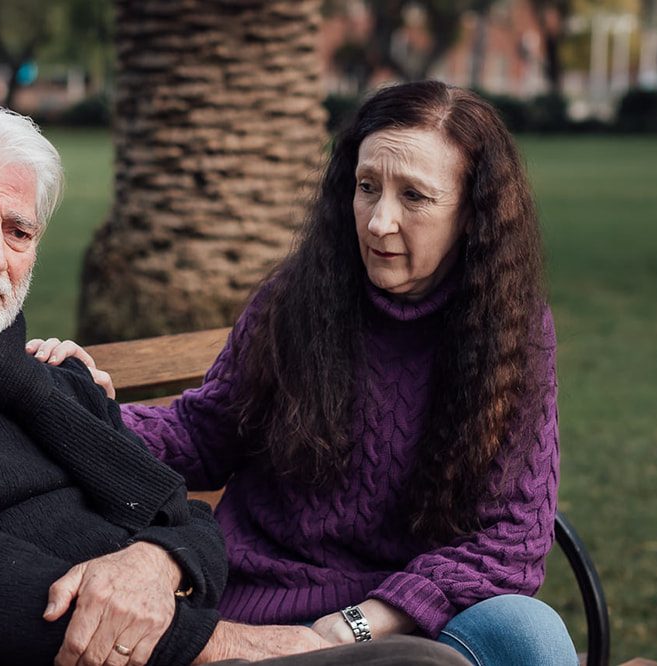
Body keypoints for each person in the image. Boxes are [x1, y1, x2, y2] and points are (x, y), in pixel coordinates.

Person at [0, 96, 468, 666]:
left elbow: (185, 520)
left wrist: (157, 563)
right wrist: (231, 647)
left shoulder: (44, 382)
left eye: (19, 232)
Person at [29, 81, 576, 666]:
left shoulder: (509, 332)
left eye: (415, 197)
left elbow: (509, 543)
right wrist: (89, 409)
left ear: (474, 214)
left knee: (528, 633)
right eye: (367, 188)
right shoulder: (298, 300)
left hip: (404, 625)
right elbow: (204, 433)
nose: (379, 221)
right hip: (258, 618)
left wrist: (351, 628)